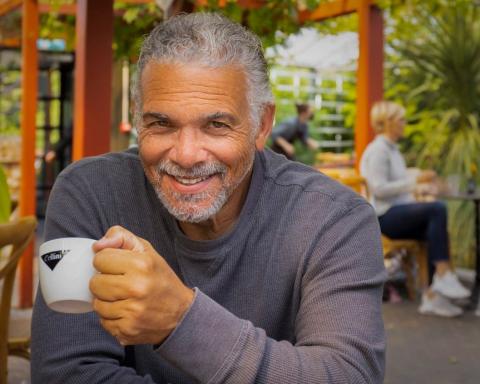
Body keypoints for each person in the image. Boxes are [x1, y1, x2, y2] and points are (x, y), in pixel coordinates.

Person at [32, 13, 386, 383]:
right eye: (161, 124)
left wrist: (180, 319)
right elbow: (68, 373)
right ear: (138, 119)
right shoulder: (92, 193)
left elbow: (348, 375)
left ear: (262, 125)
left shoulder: (333, 219)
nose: (186, 155)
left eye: (216, 126)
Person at [360, 101, 470, 318]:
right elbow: (379, 189)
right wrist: (415, 184)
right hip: (383, 216)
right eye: (401, 119)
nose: (404, 123)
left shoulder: (393, 151)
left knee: (434, 229)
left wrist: (420, 187)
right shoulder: (379, 151)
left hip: (396, 211)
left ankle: (432, 297)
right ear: (388, 123)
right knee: (437, 209)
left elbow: (400, 186)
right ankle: (443, 274)